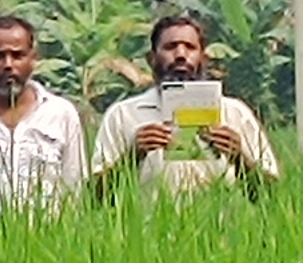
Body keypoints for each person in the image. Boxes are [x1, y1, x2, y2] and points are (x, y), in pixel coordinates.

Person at [94, 10, 279, 201]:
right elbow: (93, 198)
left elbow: (272, 196)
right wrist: (132, 156)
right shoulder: (124, 115)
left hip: (222, 230)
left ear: (204, 59)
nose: (181, 55)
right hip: (147, 230)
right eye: (170, 47)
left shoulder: (235, 114)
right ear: (151, 59)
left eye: (190, 47)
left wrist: (239, 158)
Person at [0, 12, 89, 209]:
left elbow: (74, 190)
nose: (8, 65)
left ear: (33, 58)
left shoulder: (61, 114)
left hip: (48, 237)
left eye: (17, 56)